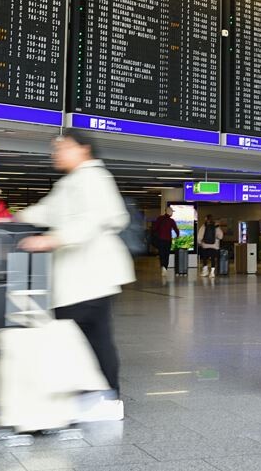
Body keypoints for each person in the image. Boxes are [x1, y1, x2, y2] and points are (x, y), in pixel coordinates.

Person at [16, 129, 135, 421]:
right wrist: (15, 217)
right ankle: (103, 396)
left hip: (90, 275)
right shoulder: (73, 181)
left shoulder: (93, 178)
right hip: (83, 277)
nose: (56, 152)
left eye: (63, 146)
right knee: (92, 336)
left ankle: (93, 397)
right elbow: (47, 212)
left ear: (84, 149)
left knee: (69, 334)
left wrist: (50, 240)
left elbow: (89, 222)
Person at [152, 207, 180, 275]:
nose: (172, 213)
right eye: (172, 212)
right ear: (169, 212)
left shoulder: (159, 218)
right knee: (167, 254)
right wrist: (177, 236)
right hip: (168, 240)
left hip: (160, 240)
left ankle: (163, 267)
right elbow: (176, 229)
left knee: (161, 254)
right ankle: (165, 268)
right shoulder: (171, 220)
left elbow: (154, 228)